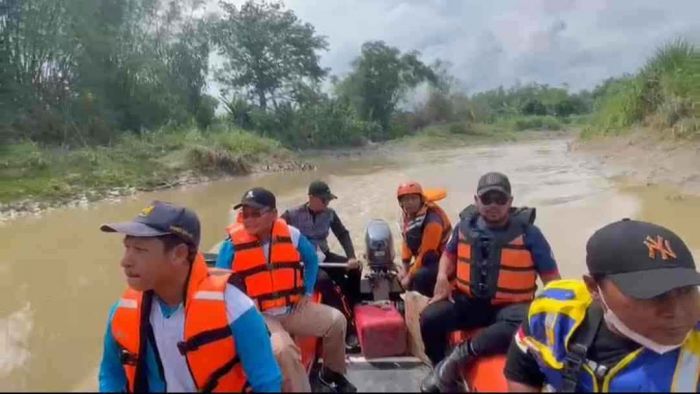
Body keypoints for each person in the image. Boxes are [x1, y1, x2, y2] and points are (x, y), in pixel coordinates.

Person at [98, 201, 282, 392]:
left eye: (140, 250)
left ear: (179, 254)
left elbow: (266, 381)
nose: (125, 261)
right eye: (127, 248)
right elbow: (111, 374)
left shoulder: (234, 307)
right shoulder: (122, 311)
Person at [505, 219, 700, 392]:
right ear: (593, 287)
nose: (677, 311)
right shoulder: (552, 313)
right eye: (653, 294)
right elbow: (522, 371)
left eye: (686, 290)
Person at [420, 172, 561, 392]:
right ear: (476, 201)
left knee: (530, 321)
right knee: (430, 318)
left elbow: (553, 282)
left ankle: (459, 356)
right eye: (487, 199)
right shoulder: (463, 227)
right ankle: (439, 365)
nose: (493, 205)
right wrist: (441, 278)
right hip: (470, 302)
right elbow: (448, 254)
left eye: (500, 199)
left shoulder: (530, 234)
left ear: (510, 202)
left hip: (512, 308)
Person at [215, 187, 356, 392]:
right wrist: (243, 309)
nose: (249, 219)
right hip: (260, 315)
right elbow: (219, 284)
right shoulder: (231, 245)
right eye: (245, 213)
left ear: (273, 214)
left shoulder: (291, 234)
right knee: (283, 349)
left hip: (292, 308)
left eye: (256, 213)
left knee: (336, 321)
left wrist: (307, 291)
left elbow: (311, 261)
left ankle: (331, 374)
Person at [280, 180, 361, 350]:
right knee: (324, 281)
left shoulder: (330, 214)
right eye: (324, 200)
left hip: (324, 255)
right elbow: (274, 235)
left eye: (328, 200)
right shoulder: (291, 214)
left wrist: (351, 257)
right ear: (311, 198)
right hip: (304, 262)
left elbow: (342, 234)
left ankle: (353, 304)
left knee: (356, 269)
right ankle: (348, 329)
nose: (327, 203)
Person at [396, 181, 452, 297]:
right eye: (405, 200)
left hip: (441, 261)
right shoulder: (407, 215)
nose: (409, 203)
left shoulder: (433, 222)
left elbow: (425, 253)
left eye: (413, 198)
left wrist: (409, 276)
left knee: (417, 277)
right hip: (426, 260)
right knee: (398, 274)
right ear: (401, 203)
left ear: (421, 199)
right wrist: (405, 268)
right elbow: (407, 241)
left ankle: (430, 299)